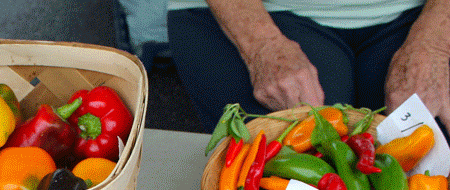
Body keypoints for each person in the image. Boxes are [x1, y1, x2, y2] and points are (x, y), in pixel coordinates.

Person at [166, 0, 450, 134]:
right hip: (259, 11)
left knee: (428, 156)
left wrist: (435, 45)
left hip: (428, 12)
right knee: (299, 159)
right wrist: (262, 46)